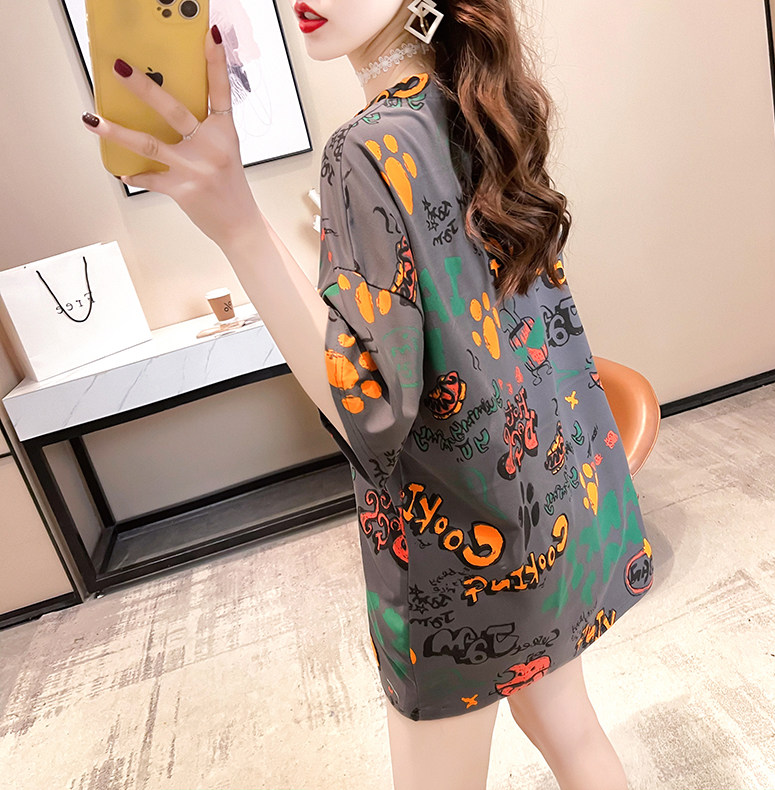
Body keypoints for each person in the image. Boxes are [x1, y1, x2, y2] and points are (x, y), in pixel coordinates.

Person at [81, 1, 654, 787]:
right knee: (571, 730)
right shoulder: (477, 103)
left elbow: (366, 405)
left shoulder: (367, 147)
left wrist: (238, 224)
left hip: (455, 549)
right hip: (549, 500)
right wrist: (242, 214)